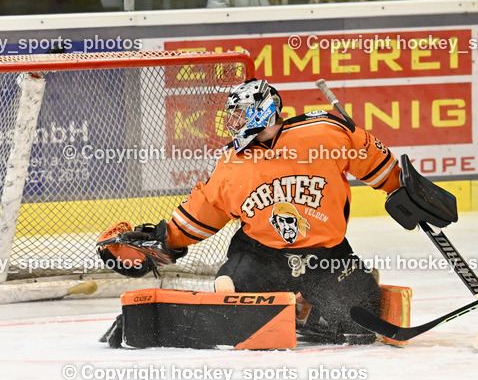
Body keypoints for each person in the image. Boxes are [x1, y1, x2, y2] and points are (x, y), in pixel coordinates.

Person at [98, 79, 453, 344]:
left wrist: (407, 190)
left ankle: (316, 301)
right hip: (261, 255)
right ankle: (300, 301)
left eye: (240, 114)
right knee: (228, 293)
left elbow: (377, 162)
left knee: (359, 327)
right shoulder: (232, 164)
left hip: (325, 255)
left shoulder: (326, 133)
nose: (233, 123)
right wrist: (163, 241)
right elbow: (202, 212)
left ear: (263, 111)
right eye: (231, 116)